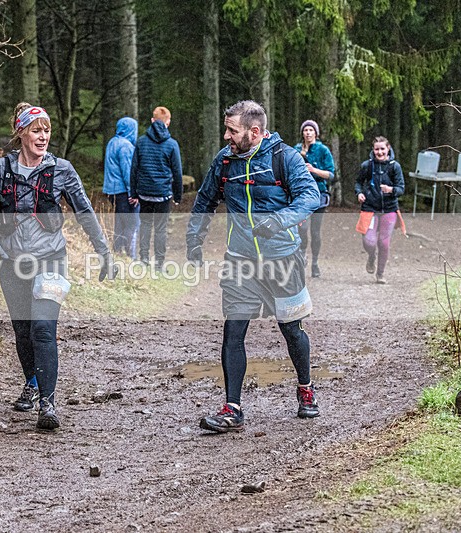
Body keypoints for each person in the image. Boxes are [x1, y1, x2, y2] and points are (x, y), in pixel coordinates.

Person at [0, 102, 115, 431]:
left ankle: (47, 404)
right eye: (36, 130)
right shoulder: (1, 168)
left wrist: (104, 251)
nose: (43, 137)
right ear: (21, 132)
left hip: (51, 259)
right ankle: (33, 383)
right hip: (12, 261)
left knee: (42, 329)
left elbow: (84, 210)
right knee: (23, 331)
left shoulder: (61, 169)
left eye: (47, 131)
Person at [186, 100, 320, 433]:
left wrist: (278, 221)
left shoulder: (284, 158)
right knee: (233, 331)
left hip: (282, 259)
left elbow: (310, 196)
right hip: (240, 260)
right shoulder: (224, 160)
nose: (227, 136)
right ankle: (232, 408)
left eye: (233, 130)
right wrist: (194, 240)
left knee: (292, 330)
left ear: (254, 131)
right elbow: (205, 200)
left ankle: (305, 388)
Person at [129, 106, 183, 270]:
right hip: (163, 193)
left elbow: (134, 169)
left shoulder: (141, 142)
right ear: (168, 122)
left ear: (152, 121)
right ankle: (159, 264)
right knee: (160, 229)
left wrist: (134, 192)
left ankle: (144, 259)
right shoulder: (172, 144)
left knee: (145, 224)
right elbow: (177, 172)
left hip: (144, 192)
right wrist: (178, 195)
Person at [354, 136, 405, 284]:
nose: (380, 152)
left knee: (384, 243)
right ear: (373, 150)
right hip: (370, 208)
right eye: (377, 149)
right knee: (369, 241)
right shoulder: (367, 166)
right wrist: (359, 193)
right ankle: (371, 256)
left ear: (388, 148)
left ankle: (380, 274)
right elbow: (358, 182)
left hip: (389, 209)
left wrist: (391, 190)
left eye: (382, 148)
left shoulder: (395, 167)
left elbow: (401, 188)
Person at [293, 119, 335, 278]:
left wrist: (314, 170)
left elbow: (331, 174)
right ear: (302, 133)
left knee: (315, 231)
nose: (308, 133)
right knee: (301, 228)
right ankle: (302, 254)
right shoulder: (296, 149)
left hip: (319, 194)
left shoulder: (323, 150)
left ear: (316, 133)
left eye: (311, 130)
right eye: (305, 130)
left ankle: (315, 263)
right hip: (301, 195)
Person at [103, 117, 140, 258]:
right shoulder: (126, 146)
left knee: (120, 223)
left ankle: (118, 252)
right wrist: (133, 193)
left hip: (111, 190)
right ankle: (131, 256)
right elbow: (128, 172)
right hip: (123, 191)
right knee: (132, 223)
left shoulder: (112, 142)